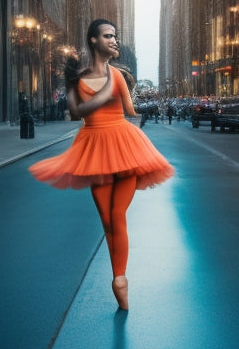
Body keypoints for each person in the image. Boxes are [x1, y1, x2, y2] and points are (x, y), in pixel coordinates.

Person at [28, 19, 173, 311]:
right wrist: (107, 94)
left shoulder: (116, 76)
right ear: (93, 40)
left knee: (115, 216)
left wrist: (117, 98)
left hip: (120, 146)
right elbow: (76, 113)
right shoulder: (82, 79)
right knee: (109, 220)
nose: (115, 41)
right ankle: (119, 278)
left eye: (116, 36)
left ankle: (119, 279)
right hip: (97, 149)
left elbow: (128, 112)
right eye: (109, 36)